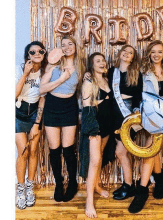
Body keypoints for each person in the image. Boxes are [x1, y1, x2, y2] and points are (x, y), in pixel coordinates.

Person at [134, 40, 163, 213]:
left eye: (159, 51)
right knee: (153, 148)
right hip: (152, 113)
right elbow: (139, 94)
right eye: (153, 52)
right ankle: (158, 179)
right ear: (149, 54)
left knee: (151, 147)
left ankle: (142, 189)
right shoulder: (144, 71)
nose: (156, 55)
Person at [40, 36, 82, 202]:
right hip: (52, 106)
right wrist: (61, 79)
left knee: (68, 149)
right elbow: (42, 89)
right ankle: (59, 182)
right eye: (63, 45)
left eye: (70, 44)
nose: (66, 47)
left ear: (75, 46)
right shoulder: (54, 66)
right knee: (54, 149)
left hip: (69, 107)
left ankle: (72, 183)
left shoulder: (81, 67)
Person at [79, 52, 113, 218]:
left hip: (107, 126)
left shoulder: (107, 79)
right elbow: (87, 107)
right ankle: (89, 201)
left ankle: (97, 186)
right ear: (91, 65)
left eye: (103, 60)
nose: (101, 63)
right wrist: (91, 129)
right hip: (96, 126)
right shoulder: (89, 81)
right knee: (94, 161)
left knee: (99, 157)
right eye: (97, 61)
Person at [108, 45, 143, 206]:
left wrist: (135, 113)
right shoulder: (111, 72)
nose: (127, 54)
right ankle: (129, 184)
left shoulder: (136, 73)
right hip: (113, 113)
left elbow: (139, 95)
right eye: (125, 51)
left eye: (130, 53)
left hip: (128, 113)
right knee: (124, 152)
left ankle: (128, 185)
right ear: (120, 53)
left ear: (133, 57)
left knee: (121, 151)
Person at [15, 41, 48, 209]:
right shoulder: (18, 68)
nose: (36, 54)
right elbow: (13, 95)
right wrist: (25, 74)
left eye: (40, 51)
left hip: (35, 113)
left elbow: (42, 99)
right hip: (18, 113)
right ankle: (20, 189)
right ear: (27, 55)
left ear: (44, 54)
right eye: (32, 52)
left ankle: (30, 186)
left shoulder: (45, 72)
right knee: (23, 151)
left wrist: (37, 123)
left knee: (34, 150)